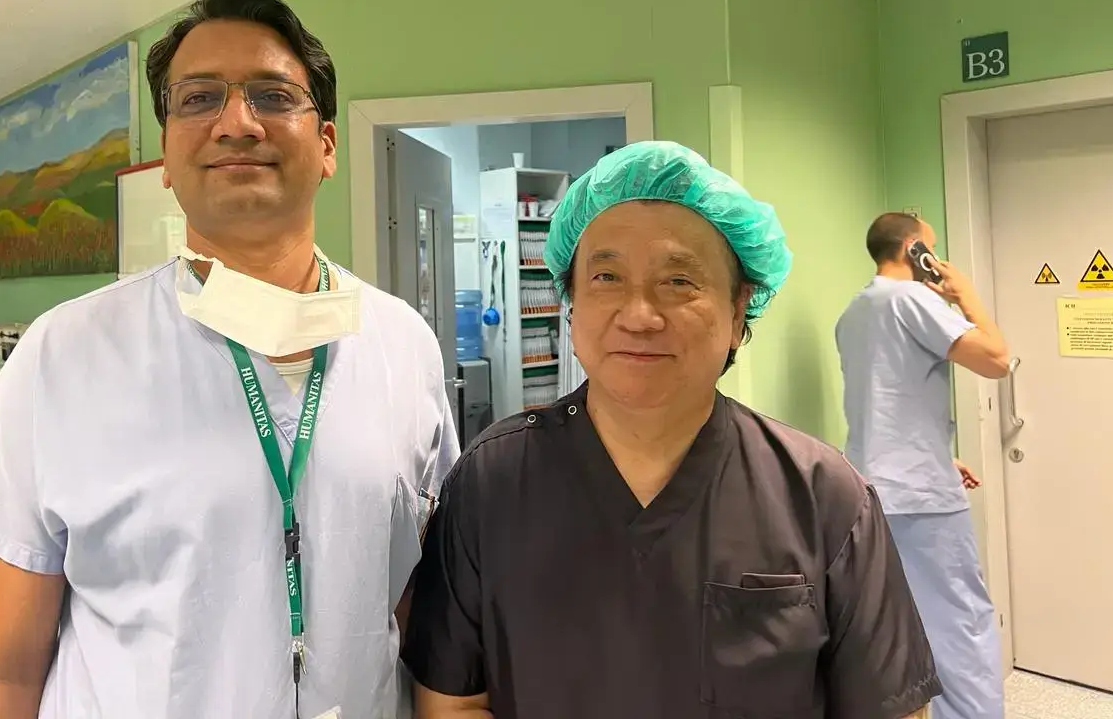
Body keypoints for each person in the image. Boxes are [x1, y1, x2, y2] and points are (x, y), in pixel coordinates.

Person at [0, 0, 459, 719]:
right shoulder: (67, 356)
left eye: (273, 96)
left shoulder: (403, 346)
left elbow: (410, 608)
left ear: (327, 145)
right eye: (200, 98)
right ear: (168, 158)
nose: (237, 123)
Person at [402, 141, 941, 719]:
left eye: (679, 281)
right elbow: (452, 704)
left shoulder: (824, 497)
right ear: (571, 306)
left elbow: (893, 710)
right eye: (606, 276)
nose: (639, 315)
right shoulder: (490, 482)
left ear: (738, 311)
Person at [835, 212, 1012, 719]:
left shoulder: (855, 311)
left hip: (869, 488)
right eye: (931, 248)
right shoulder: (911, 299)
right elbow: (996, 359)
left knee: (903, 620)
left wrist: (939, 452)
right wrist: (966, 294)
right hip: (920, 497)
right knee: (960, 621)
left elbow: (885, 398)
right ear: (915, 249)